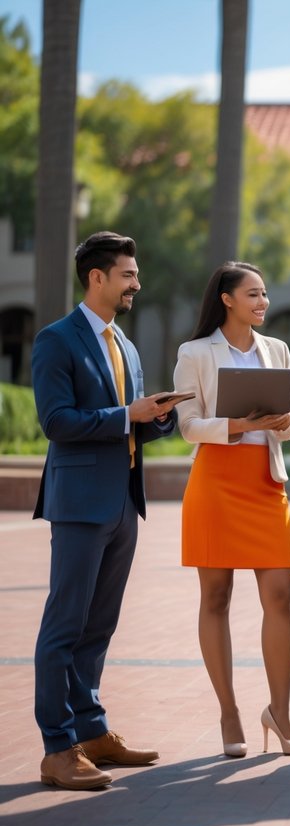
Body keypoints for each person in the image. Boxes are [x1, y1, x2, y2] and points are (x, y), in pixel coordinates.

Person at [31, 231, 178, 789]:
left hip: (123, 501)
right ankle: (57, 747)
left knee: (99, 625)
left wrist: (157, 417)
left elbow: (132, 423)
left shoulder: (126, 344)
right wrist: (125, 414)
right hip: (78, 503)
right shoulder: (55, 340)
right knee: (64, 625)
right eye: (128, 275)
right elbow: (57, 422)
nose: (136, 284)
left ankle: (91, 730)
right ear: (98, 278)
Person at [173, 262, 290, 758]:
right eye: (253, 294)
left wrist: (283, 421)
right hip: (216, 480)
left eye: (265, 295)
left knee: (280, 594)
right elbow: (187, 425)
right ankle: (229, 713)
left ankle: (280, 712)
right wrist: (233, 423)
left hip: (265, 483)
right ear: (227, 299)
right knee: (216, 597)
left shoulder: (277, 350)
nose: (263, 303)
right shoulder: (195, 352)